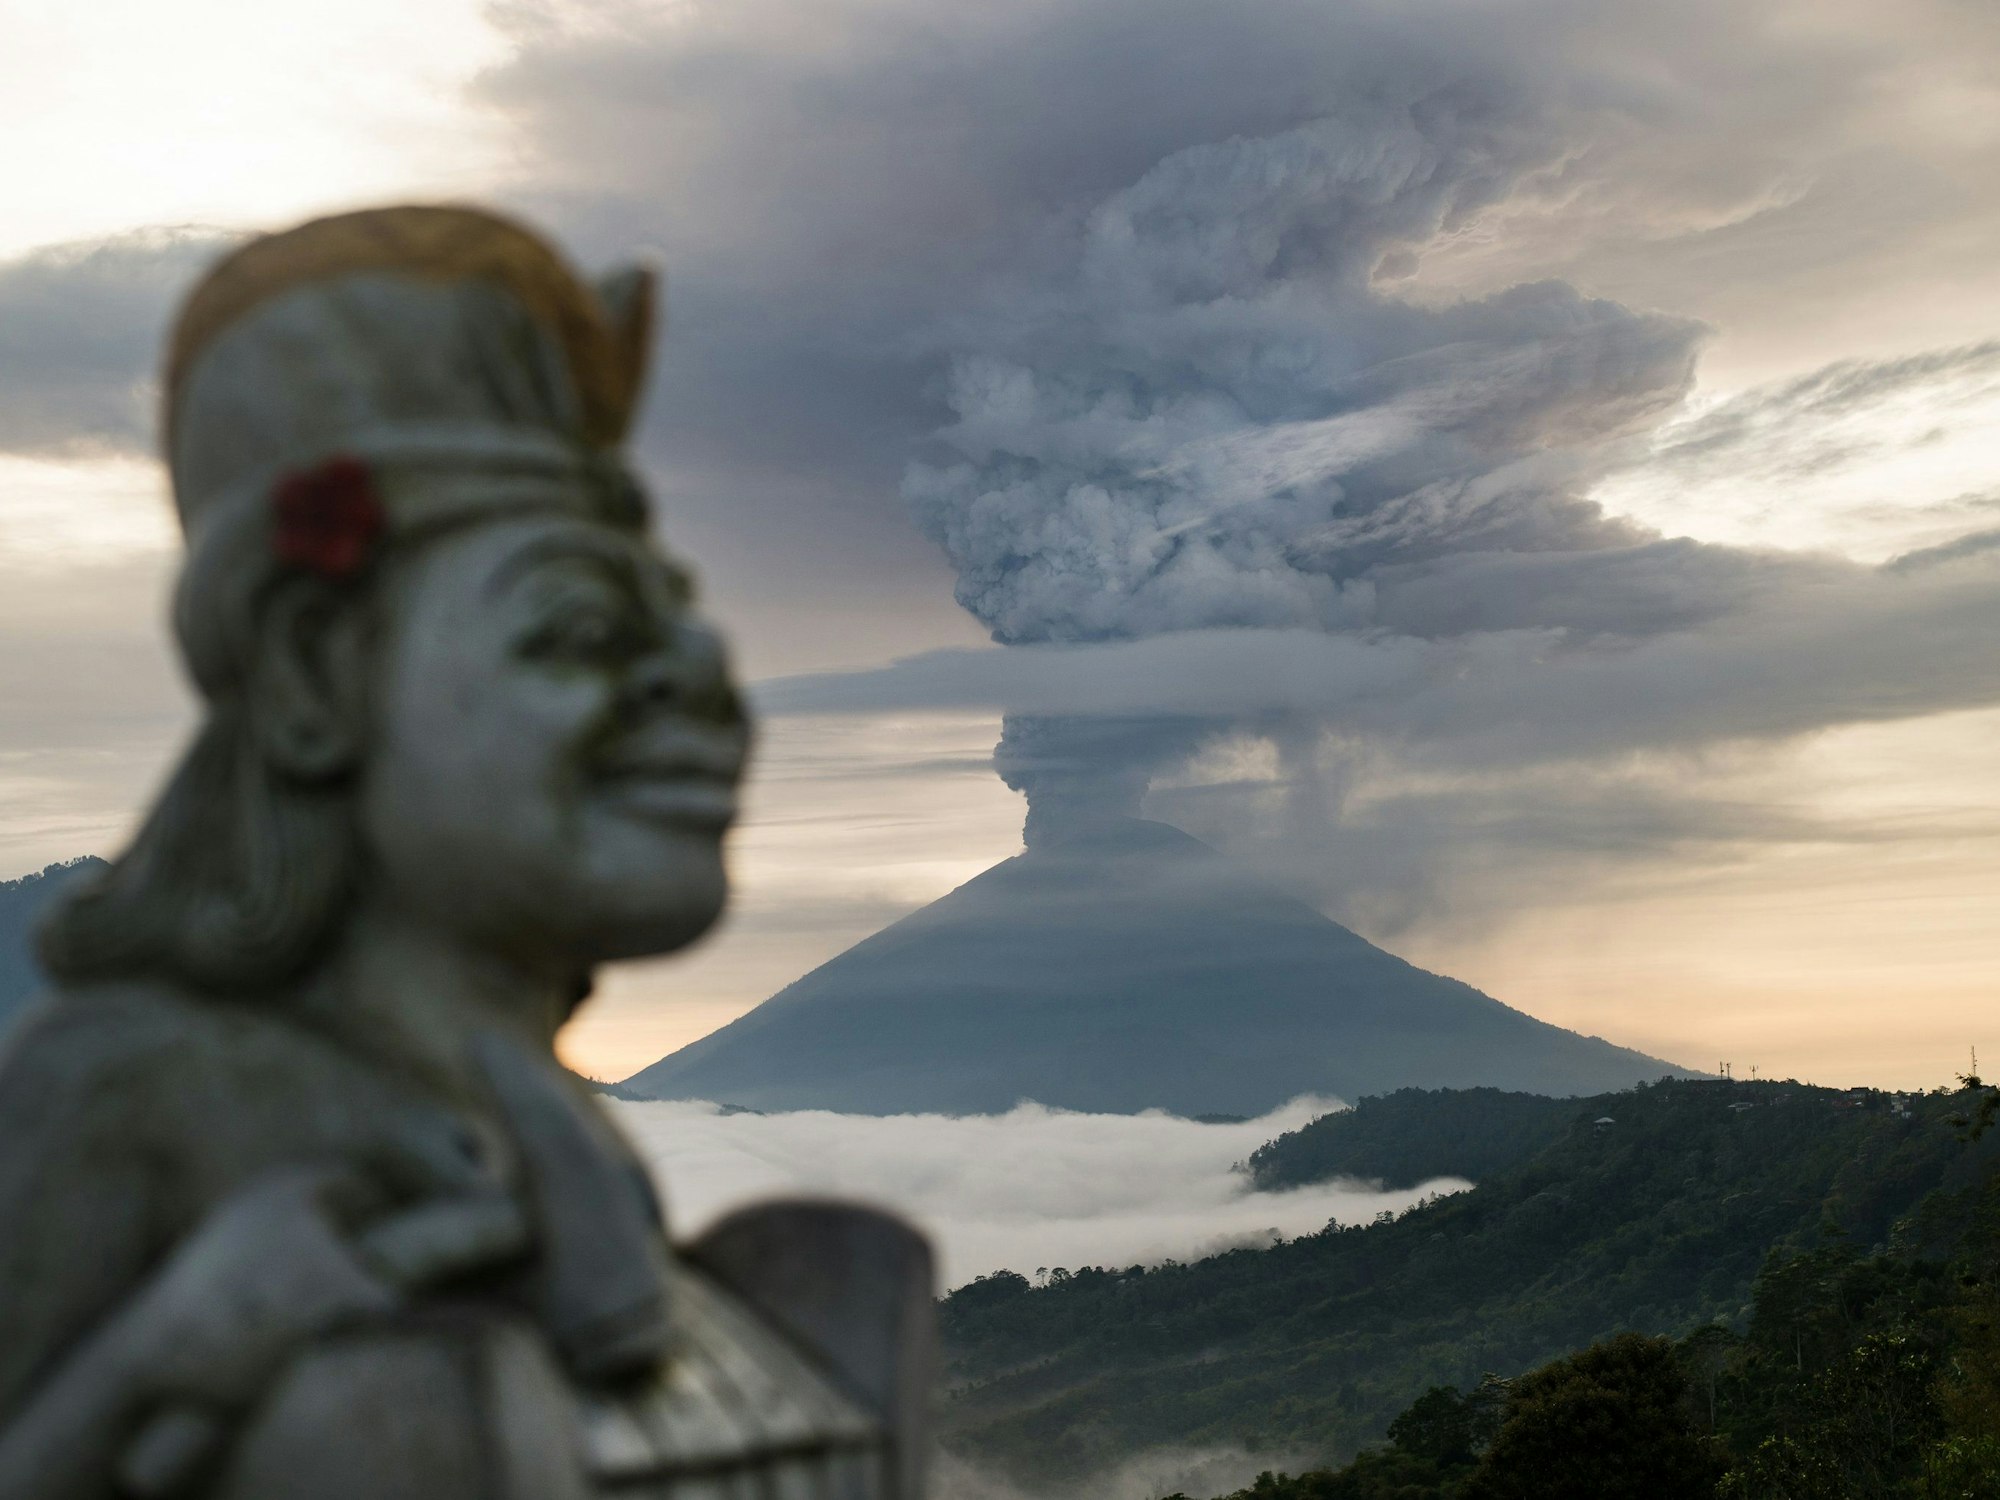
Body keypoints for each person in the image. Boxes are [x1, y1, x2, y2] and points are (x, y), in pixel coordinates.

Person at [0, 205, 931, 1499]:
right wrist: (178, 1354)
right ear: (316, 673)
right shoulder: (119, 1094)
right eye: (577, 628)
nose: (703, 691)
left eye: (685, 633)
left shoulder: (544, 1119)